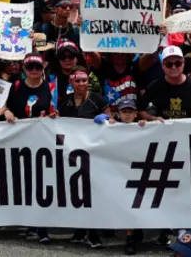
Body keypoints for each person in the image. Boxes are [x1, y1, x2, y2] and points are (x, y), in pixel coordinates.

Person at [59, 68, 108, 248]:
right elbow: (58, 122)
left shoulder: (97, 99)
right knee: (75, 191)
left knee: (91, 192)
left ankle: (93, 234)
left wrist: (105, 118)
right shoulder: (65, 101)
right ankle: (79, 231)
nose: (81, 84)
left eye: (84, 80)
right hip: (72, 153)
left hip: (92, 153)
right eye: (77, 81)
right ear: (71, 82)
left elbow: (111, 118)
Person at [139, 46, 191, 121]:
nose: (173, 67)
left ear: (183, 63)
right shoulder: (154, 86)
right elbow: (141, 111)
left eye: (178, 63)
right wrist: (153, 119)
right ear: (163, 66)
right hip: (163, 127)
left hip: (188, 127)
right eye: (169, 64)